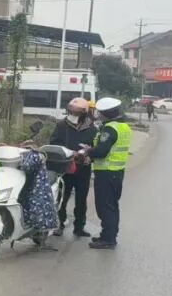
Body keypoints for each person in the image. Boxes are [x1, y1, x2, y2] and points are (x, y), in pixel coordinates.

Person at [77, 97, 131, 250]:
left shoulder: (109, 129)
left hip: (107, 173)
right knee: (111, 205)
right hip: (116, 172)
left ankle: (108, 239)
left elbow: (102, 151)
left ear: (105, 114)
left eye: (100, 113)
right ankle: (108, 234)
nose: (98, 115)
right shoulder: (123, 126)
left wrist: (88, 151)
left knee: (105, 206)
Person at [48, 97, 97, 238]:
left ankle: (79, 227)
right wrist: (68, 153)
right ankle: (59, 224)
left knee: (81, 200)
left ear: (84, 113)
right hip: (64, 168)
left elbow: (96, 148)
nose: (73, 115)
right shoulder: (62, 125)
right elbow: (54, 143)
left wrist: (88, 156)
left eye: (76, 112)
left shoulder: (92, 129)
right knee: (61, 198)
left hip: (83, 170)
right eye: (71, 111)